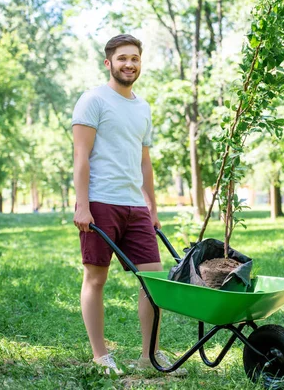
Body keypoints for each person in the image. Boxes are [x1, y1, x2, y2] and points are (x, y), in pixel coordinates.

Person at [72, 34, 183, 376]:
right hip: (101, 202)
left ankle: (149, 355)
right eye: (122, 58)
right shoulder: (93, 100)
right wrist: (82, 204)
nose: (129, 64)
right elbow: (81, 155)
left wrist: (152, 206)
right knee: (95, 278)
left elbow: (145, 161)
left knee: (154, 284)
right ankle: (100, 356)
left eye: (134, 58)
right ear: (109, 63)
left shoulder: (143, 107)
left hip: (136, 207)